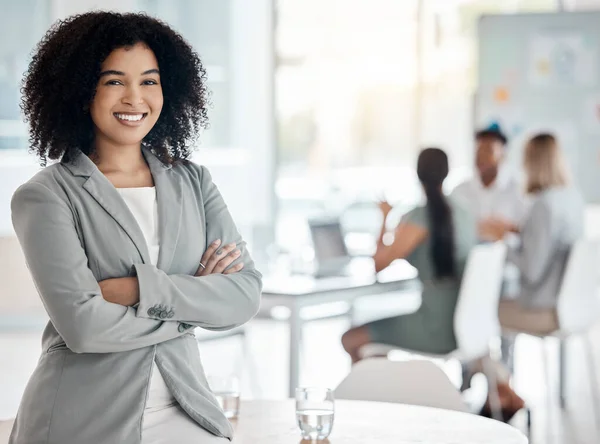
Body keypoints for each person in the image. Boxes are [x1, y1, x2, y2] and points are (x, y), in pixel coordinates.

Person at [9, 12, 262, 444]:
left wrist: (137, 290)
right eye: (113, 81)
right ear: (79, 89)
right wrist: (193, 305)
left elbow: (244, 297)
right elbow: (85, 328)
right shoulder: (46, 195)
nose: (134, 97)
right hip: (83, 420)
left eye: (149, 81)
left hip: (188, 410)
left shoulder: (193, 182)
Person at [341, 148, 477, 362]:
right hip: (466, 326)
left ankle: (372, 394)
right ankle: (384, 391)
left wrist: (384, 217)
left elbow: (379, 264)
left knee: (350, 339)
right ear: (446, 173)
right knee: (374, 347)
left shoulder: (421, 217)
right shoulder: (464, 212)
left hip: (436, 328)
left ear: (418, 174)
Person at [483, 133, 584, 334]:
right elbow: (553, 240)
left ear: (531, 162)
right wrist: (519, 231)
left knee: (480, 310)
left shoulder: (543, 205)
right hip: (577, 306)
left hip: (543, 308)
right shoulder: (573, 198)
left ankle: (492, 366)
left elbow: (531, 271)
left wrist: (502, 240)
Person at [452, 125, 527, 237]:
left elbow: (527, 233)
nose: (481, 156)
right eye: (478, 150)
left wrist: (509, 229)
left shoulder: (518, 192)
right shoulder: (459, 192)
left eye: (488, 150)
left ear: (503, 156)